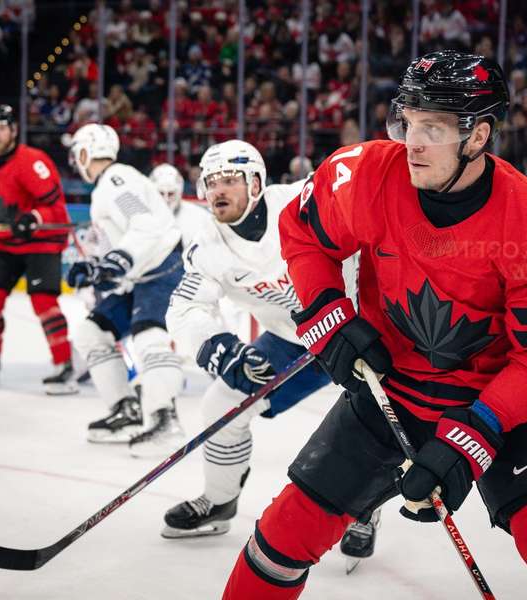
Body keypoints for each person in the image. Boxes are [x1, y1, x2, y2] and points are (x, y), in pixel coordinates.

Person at [220, 51, 527, 599]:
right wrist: (326, 316)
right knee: (283, 536)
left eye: (432, 128)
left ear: (478, 136)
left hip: (501, 407)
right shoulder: (367, 174)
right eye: (408, 122)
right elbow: (304, 234)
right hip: (390, 388)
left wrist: (473, 437)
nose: (411, 142)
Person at [160, 140, 378, 570]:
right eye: (210, 183)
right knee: (221, 405)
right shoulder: (206, 243)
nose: (217, 190)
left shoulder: (303, 201)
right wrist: (215, 346)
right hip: (289, 339)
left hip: (355, 328)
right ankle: (220, 501)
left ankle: (364, 509)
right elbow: (186, 307)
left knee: (375, 422)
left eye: (229, 180)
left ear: (256, 183)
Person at [66, 123, 186, 454]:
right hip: (141, 274)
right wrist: (97, 267)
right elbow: (126, 240)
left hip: (162, 269)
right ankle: (127, 410)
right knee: (91, 333)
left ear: (86, 151)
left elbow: (144, 225)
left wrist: (116, 261)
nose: (76, 162)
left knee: (149, 336)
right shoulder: (112, 183)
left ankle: (165, 419)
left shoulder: (115, 179)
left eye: (78, 153)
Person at [0, 104, 75, 395]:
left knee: (43, 302)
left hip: (42, 241)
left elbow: (57, 208)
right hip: (8, 242)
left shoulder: (33, 161)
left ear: (13, 130)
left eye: (2, 128)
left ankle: (64, 366)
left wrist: (33, 218)